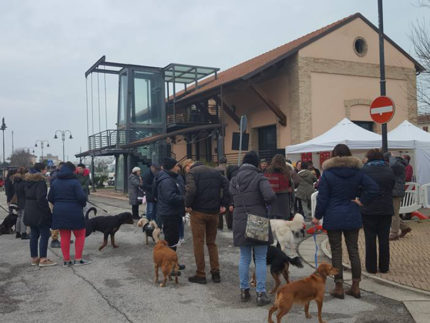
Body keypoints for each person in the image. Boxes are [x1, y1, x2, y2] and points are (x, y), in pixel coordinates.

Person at [313, 144, 378, 299]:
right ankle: (356, 286)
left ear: (333, 155)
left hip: (333, 214)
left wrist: (317, 215)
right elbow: (374, 188)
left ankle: (339, 286)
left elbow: (322, 197)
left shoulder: (327, 174)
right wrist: (361, 201)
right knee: (353, 250)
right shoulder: (357, 172)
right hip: (352, 213)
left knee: (336, 251)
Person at [230, 151, 276, 306]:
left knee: (244, 257)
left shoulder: (234, 179)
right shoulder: (259, 177)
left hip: (240, 220)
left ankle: (244, 290)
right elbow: (270, 196)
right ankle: (261, 293)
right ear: (256, 163)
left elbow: (231, 196)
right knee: (261, 258)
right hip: (257, 220)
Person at [185, 160, 230, 285]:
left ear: (191, 167)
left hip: (198, 212)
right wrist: (223, 203)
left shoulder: (192, 173)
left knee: (198, 242)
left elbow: (191, 190)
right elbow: (227, 185)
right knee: (212, 243)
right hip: (214, 212)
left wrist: (187, 204)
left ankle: (201, 274)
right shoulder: (215, 172)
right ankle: (216, 273)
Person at [48, 162, 89, 266]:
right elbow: (81, 197)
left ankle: (66, 261)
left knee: (64, 236)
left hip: (59, 211)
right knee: (80, 234)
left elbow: (50, 198)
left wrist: (58, 204)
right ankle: (78, 259)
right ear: (72, 171)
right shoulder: (75, 182)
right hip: (74, 211)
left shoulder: (55, 182)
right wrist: (82, 203)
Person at [361, 149, 395, 274]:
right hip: (386, 208)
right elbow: (392, 185)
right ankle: (384, 266)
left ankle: (371, 267)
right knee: (384, 239)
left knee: (370, 239)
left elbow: (360, 187)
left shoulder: (364, 170)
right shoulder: (389, 169)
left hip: (369, 208)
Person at [23, 163, 57, 267]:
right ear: (41, 170)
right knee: (45, 234)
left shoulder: (27, 181)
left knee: (34, 235)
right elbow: (41, 199)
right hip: (39, 211)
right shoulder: (40, 182)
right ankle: (43, 259)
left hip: (29, 209)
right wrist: (47, 213)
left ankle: (34, 258)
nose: (46, 171)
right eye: (45, 169)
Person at [155, 158, 184, 252]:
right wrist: (184, 198)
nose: (178, 168)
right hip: (169, 213)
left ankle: (172, 262)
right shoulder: (167, 180)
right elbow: (170, 197)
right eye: (176, 166)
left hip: (170, 212)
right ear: (172, 167)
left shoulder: (169, 177)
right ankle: (169, 263)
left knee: (172, 239)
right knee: (171, 240)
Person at [384, 153, 411, 240]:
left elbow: (393, 164)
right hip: (393, 191)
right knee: (393, 213)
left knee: (394, 213)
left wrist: (390, 156)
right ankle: (405, 227)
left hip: (395, 192)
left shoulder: (398, 165)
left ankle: (394, 233)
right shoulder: (398, 165)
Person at [264, 154, 292, 220]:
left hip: (271, 199)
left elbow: (265, 185)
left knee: (272, 222)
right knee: (284, 222)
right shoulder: (287, 172)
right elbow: (292, 184)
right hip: (284, 199)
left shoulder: (267, 171)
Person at [49, 162, 64, 248]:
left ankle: (64, 237)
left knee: (61, 219)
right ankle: (54, 239)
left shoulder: (56, 174)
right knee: (56, 219)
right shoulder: (56, 175)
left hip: (58, 201)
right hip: (56, 200)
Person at [215, 156, 231, 230]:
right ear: (226, 162)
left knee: (219, 208)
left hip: (217, 190)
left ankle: (219, 226)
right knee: (227, 208)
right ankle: (229, 225)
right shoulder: (227, 168)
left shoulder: (215, 169)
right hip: (226, 189)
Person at [13, 167, 30, 239]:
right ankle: (23, 233)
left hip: (18, 201)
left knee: (19, 217)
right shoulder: (23, 182)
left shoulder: (16, 181)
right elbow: (27, 192)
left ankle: (17, 232)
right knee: (23, 217)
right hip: (24, 201)